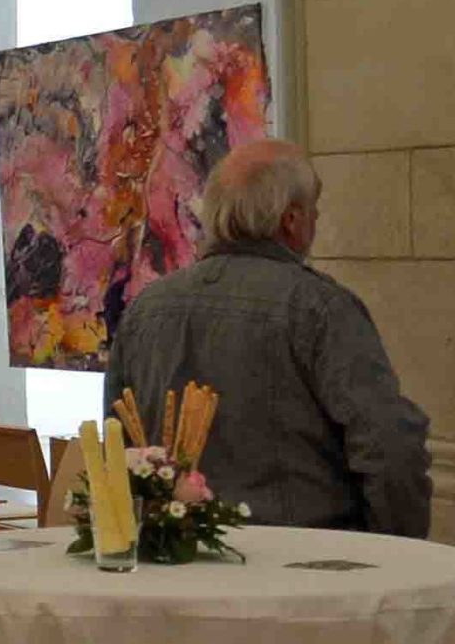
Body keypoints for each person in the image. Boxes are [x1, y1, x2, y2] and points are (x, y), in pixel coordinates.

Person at [106, 139, 432, 535]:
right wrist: (396, 553)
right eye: (313, 210)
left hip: (177, 552)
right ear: (292, 220)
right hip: (305, 558)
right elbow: (390, 448)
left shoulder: (145, 309)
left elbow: (120, 449)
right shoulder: (321, 309)